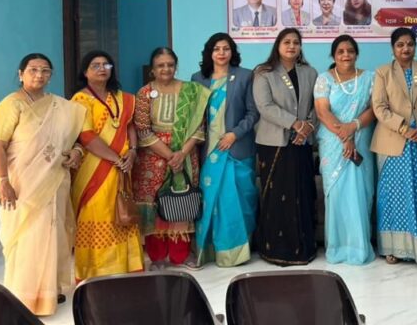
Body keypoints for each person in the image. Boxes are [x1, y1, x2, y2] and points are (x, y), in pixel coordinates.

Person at [0, 54, 88, 315]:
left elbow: (76, 140)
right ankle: (23, 296)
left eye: (45, 70)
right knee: (26, 236)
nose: (39, 75)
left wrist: (77, 152)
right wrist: (2, 180)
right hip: (23, 183)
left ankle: (48, 292)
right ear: (21, 73)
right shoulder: (11, 105)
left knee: (54, 233)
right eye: (33, 70)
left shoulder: (61, 107)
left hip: (56, 180)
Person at [70, 51, 144, 282]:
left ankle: (127, 267)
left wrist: (133, 151)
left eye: (106, 65)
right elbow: (86, 136)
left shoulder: (123, 98)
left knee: (121, 212)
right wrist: (116, 159)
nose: (102, 68)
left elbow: (129, 126)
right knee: (95, 212)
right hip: (93, 169)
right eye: (95, 65)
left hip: (122, 167)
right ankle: (95, 272)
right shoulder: (80, 100)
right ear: (85, 72)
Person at [133, 47, 210, 269]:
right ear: (152, 69)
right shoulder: (144, 93)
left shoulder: (191, 90)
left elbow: (199, 127)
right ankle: (157, 256)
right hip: (152, 157)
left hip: (185, 154)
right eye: (160, 65)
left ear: (176, 66)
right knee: (154, 204)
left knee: (181, 200)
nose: (165, 69)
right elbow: (143, 130)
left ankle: (181, 254)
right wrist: (169, 156)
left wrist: (182, 153)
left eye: (170, 64)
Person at [371, 27, 417, 265]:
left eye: (410, 44)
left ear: (415, 46)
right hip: (393, 143)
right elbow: (379, 107)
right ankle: (392, 248)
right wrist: (404, 128)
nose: (405, 48)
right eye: (400, 44)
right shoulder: (383, 72)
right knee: (391, 196)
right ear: (393, 48)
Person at [190, 34, 259, 267]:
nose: (221, 53)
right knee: (212, 200)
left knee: (235, 201)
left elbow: (252, 113)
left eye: (226, 49)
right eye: (216, 49)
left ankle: (235, 253)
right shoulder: (198, 79)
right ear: (209, 53)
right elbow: (193, 116)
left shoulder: (245, 76)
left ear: (232, 52)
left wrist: (234, 134)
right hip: (209, 151)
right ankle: (210, 251)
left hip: (236, 148)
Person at [252, 28, 320, 265]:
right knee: (276, 196)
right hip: (274, 143)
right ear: (278, 45)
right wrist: (295, 124)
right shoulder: (264, 73)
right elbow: (265, 106)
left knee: (302, 193)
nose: (291, 46)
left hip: (302, 143)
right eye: (286, 42)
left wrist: (307, 127)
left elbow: (318, 104)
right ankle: (275, 249)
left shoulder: (310, 72)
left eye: (296, 42)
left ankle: (304, 249)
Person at [313, 35, 377, 265]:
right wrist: (345, 136)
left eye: (350, 51)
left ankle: (359, 247)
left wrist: (354, 126)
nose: (346, 55)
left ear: (356, 54)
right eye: (340, 51)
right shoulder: (324, 79)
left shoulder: (370, 78)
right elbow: (322, 112)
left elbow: (374, 109)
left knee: (360, 194)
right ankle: (338, 248)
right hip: (333, 145)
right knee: (338, 194)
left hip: (361, 140)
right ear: (333, 55)